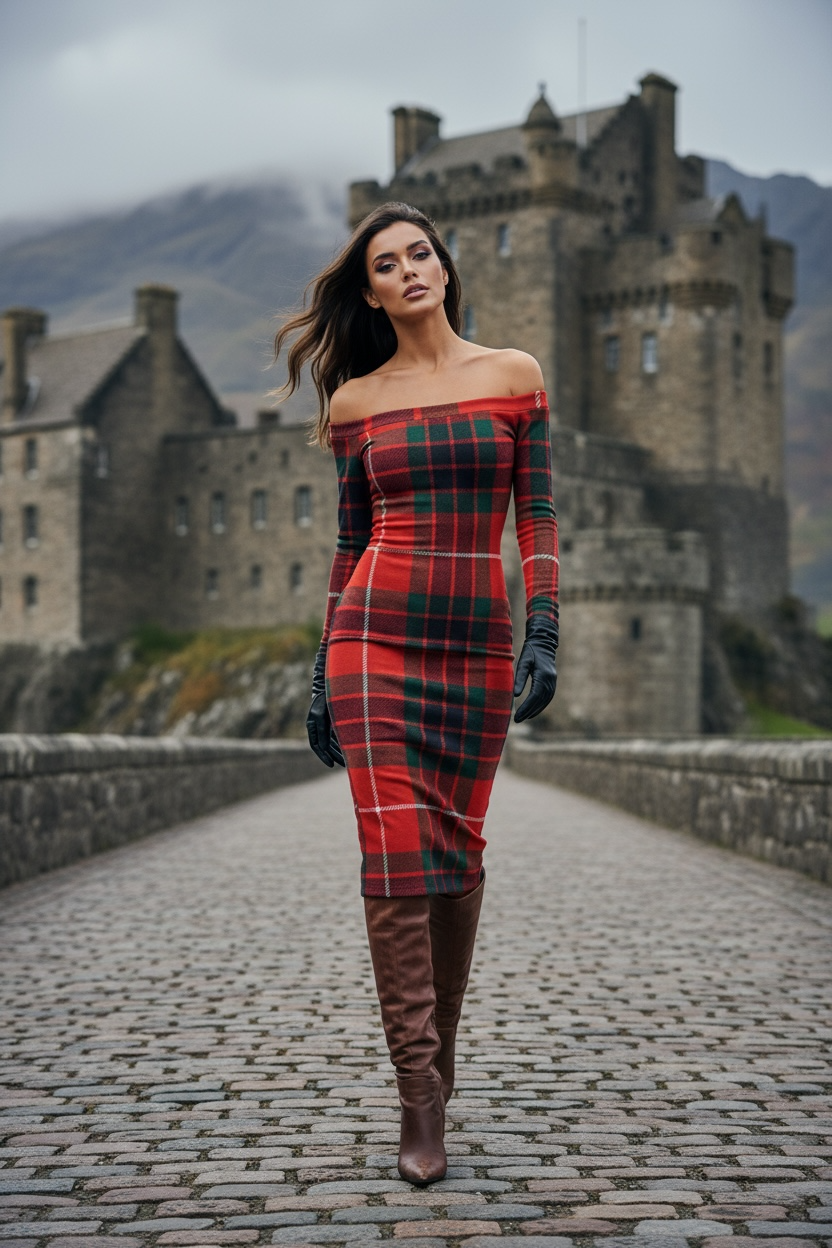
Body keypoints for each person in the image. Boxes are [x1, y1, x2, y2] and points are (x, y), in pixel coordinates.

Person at [274, 201, 559, 1186]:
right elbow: (348, 545)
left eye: (421, 254)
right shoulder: (354, 404)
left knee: (458, 856)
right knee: (395, 853)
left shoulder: (514, 376)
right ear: (370, 291)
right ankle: (418, 1096)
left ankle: (438, 1060)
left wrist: (544, 629)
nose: (409, 271)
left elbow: (539, 517)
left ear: (443, 266)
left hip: (474, 645)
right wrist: (322, 671)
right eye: (387, 263)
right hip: (373, 639)